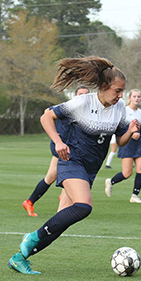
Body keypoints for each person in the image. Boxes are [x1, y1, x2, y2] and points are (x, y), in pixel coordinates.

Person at [7, 56, 140, 274]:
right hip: (72, 162)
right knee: (84, 206)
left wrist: (130, 131)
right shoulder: (83, 102)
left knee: (62, 221)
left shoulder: (120, 107)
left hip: (90, 169)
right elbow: (46, 117)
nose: (120, 96)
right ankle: (32, 238)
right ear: (104, 87)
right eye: (117, 90)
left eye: (122, 91)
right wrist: (58, 142)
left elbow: (120, 140)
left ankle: (20, 258)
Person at [22, 85, 90, 217]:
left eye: (86, 95)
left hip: (73, 149)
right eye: (81, 94)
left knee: (58, 176)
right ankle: (30, 202)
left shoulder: (88, 111)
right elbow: (48, 112)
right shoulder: (67, 107)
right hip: (61, 147)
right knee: (54, 176)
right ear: (75, 95)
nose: (83, 97)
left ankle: (63, 198)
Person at [105, 89, 141, 203]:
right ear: (130, 98)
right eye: (134, 96)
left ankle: (134, 195)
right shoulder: (124, 111)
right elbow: (120, 128)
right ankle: (110, 182)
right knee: (127, 173)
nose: (137, 98)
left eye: (139, 97)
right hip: (127, 144)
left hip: (139, 144)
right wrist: (130, 135)